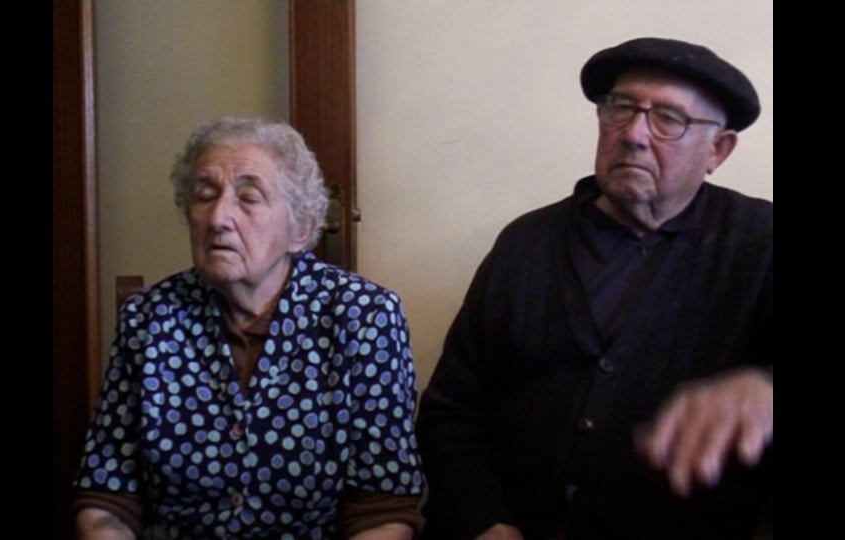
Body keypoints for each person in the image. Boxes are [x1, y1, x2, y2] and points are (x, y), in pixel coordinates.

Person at [415, 37, 772, 540]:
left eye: (668, 118)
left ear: (718, 149)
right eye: (621, 108)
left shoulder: (760, 242)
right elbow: (451, 409)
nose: (634, 135)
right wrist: (485, 521)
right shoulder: (526, 243)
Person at [73, 117, 425, 539]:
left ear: (301, 229)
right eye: (205, 195)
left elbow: (383, 512)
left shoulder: (364, 317)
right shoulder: (148, 319)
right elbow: (106, 499)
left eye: (248, 198)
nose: (218, 218)